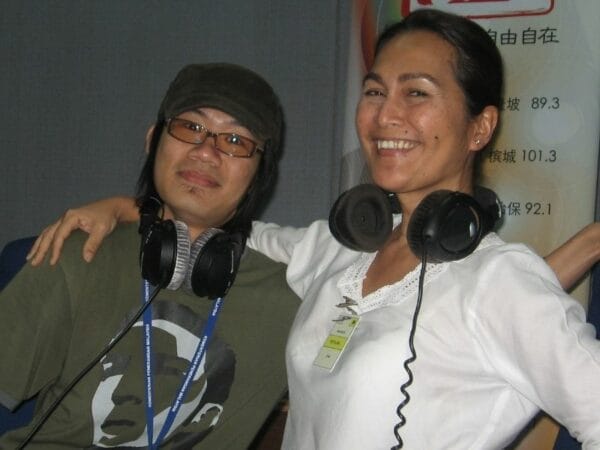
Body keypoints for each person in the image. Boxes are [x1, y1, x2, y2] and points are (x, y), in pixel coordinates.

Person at [25, 10, 600, 449]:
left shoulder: (502, 281)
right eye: (375, 91)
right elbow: (221, 226)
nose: (385, 115)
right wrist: (131, 207)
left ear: (480, 127)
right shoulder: (339, 250)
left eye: (417, 93)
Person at [0, 63, 300, 449]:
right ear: (152, 140)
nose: (206, 151)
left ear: (260, 175)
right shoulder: (79, 253)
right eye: (190, 126)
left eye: (235, 140)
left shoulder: (292, 301)